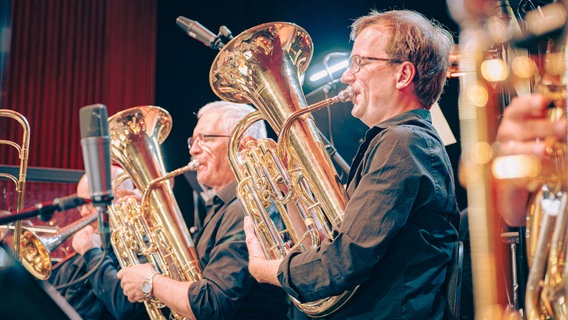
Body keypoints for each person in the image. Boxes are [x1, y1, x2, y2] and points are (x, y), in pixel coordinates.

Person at [244, 9, 460, 319]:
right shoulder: (398, 141)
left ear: (403, 75)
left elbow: (342, 262)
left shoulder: (403, 143)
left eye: (360, 62)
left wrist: (264, 269)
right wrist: (287, 192)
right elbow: (343, 243)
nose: (347, 76)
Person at [117, 101, 289, 319]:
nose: (193, 149)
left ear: (243, 145)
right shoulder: (221, 208)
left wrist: (151, 282)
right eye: (193, 141)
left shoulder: (247, 208)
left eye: (205, 139)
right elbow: (196, 277)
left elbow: (213, 303)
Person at [49, 166, 149, 320]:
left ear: (121, 199)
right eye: (80, 204)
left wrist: (90, 251)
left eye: (89, 203)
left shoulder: (144, 248)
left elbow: (125, 307)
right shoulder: (88, 247)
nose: (83, 212)